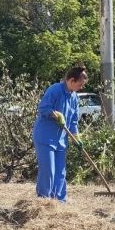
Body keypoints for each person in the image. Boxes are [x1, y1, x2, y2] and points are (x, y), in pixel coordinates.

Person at [32, 65, 87, 201]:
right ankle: (43, 201)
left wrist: (76, 138)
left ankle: (60, 201)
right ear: (71, 81)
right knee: (48, 171)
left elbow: (73, 121)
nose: (81, 88)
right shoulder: (55, 90)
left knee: (60, 172)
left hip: (61, 140)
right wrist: (55, 115)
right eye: (80, 84)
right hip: (45, 137)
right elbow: (43, 108)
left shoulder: (74, 97)